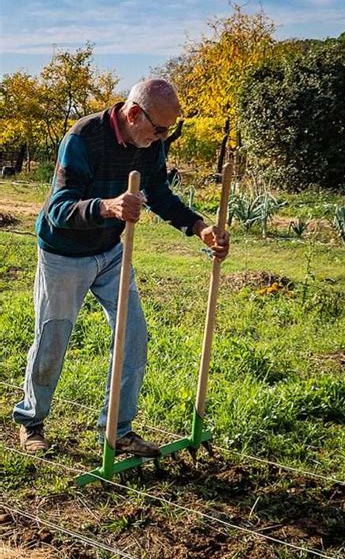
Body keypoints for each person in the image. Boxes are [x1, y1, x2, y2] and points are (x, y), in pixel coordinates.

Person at [13, 79, 230, 456]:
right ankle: (31, 421)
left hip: (112, 253)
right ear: (133, 115)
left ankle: (117, 429)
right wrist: (106, 206)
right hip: (64, 252)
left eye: (168, 131)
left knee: (133, 337)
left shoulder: (150, 145)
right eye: (160, 129)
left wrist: (200, 228)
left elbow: (159, 194)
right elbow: (57, 210)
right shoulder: (83, 138)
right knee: (52, 340)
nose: (163, 139)